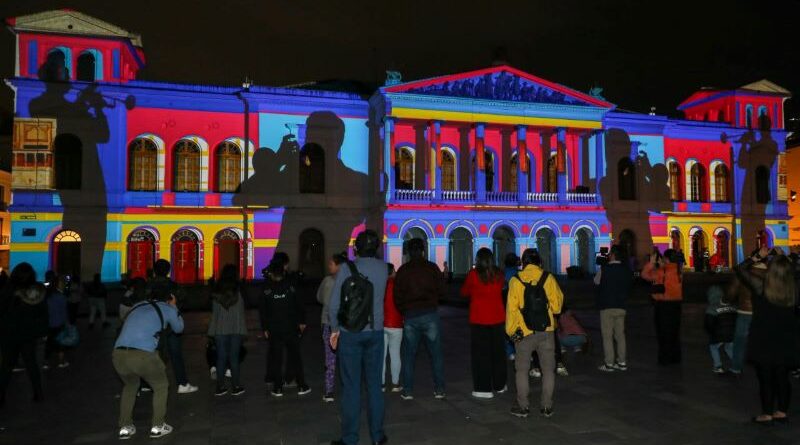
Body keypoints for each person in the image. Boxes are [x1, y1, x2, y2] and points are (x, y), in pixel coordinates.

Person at [328, 229, 389, 445]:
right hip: (375, 332)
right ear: (377, 248)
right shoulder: (384, 268)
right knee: (374, 385)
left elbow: (334, 303)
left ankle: (350, 438)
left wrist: (334, 329)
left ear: (356, 249)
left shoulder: (346, 269)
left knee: (351, 386)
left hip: (351, 333)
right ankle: (377, 436)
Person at [736, 247, 799, 424]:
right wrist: (784, 257)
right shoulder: (793, 288)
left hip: (764, 338)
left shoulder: (761, 286)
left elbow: (740, 269)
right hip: (786, 338)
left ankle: (767, 413)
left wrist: (757, 256)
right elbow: (794, 270)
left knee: (765, 378)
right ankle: (782, 411)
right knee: (782, 377)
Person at [113, 291, 184, 439]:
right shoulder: (168, 308)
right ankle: (158, 425)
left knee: (130, 386)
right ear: (170, 298)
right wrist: (175, 307)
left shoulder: (139, 305)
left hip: (118, 354)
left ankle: (125, 427)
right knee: (161, 385)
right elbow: (179, 329)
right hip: (143, 354)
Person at [506, 249, 564, 418]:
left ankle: (523, 407)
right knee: (548, 370)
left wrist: (511, 332)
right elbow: (557, 307)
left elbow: (511, 310)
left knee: (522, 370)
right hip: (546, 331)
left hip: (524, 333)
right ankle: (546, 406)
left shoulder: (515, 281)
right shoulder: (549, 278)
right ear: (539, 262)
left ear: (523, 263)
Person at [394, 237, 446, 400]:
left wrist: (404, 310)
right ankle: (439, 389)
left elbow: (397, 296)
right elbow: (442, 290)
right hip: (430, 313)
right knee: (436, 354)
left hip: (410, 315)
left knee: (409, 355)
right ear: (423, 250)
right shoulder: (432, 268)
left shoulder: (403, 270)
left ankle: (408, 390)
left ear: (409, 252)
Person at [460, 247, 507, 399]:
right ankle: (500, 385)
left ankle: (483, 388)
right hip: (498, 318)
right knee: (498, 354)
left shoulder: (473, 275)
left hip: (479, 319)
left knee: (481, 355)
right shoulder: (499, 274)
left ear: (478, 260)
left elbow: (464, 292)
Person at [259, 260, 310, 397]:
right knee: (295, 357)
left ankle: (278, 388)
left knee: (277, 358)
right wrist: (302, 321)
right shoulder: (291, 287)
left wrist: (265, 328)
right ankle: (301, 385)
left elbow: (263, 311)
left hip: (275, 329)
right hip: (291, 327)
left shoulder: (267, 289)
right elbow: (300, 305)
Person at [0, 263, 48, 405]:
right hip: (28, 334)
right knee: (31, 364)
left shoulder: (8, 291)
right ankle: (38, 393)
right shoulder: (37, 292)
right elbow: (42, 314)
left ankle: (1, 396)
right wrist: (42, 331)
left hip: (8, 334)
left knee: (6, 366)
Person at [147, 259, 198, 394]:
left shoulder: (148, 285)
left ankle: (147, 383)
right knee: (176, 355)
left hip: (151, 325)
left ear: (154, 270)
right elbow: (183, 299)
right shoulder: (173, 286)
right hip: (170, 325)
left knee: (150, 354)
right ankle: (182, 383)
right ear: (168, 271)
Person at [208, 264, 248, 397]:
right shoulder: (238, 292)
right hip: (236, 329)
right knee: (234, 358)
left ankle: (220, 387)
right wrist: (243, 330)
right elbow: (241, 313)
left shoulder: (216, 293)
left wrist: (211, 331)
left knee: (221, 358)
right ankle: (236, 386)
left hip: (220, 329)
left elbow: (214, 314)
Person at [725, 249, 765, 375]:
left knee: (740, 341)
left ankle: (736, 368)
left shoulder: (744, 274)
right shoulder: (771, 273)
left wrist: (726, 300)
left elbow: (731, 292)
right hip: (764, 313)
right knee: (762, 339)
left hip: (745, 311)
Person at [594, 245, 632, 372]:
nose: (609, 255)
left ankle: (609, 363)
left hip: (607, 306)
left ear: (614, 255)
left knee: (607, 336)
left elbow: (596, 282)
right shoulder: (627, 269)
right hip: (621, 305)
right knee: (620, 335)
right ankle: (622, 362)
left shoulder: (605, 269)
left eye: (610, 253)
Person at [642, 248, 683, 365]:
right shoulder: (679, 271)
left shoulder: (661, 271)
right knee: (675, 333)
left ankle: (665, 358)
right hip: (677, 305)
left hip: (663, 306)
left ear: (666, 258)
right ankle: (676, 358)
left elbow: (645, 275)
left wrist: (651, 263)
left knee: (663, 333)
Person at [317, 252, 348, 402]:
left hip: (329, 323)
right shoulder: (349, 281)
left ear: (339, 265)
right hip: (346, 325)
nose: (329, 266)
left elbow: (319, 298)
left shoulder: (328, 281)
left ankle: (329, 391)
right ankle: (348, 387)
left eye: (331, 263)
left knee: (330, 358)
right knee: (347, 357)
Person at [704, 285, 737, 373]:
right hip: (731, 334)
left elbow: (708, 324)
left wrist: (712, 334)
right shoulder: (731, 306)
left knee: (713, 347)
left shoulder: (711, 308)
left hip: (718, 334)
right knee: (729, 347)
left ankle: (718, 366)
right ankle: (736, 366)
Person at [383, 263, 403, 393]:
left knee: (381, 355)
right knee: (395, 354)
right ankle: (395, 384)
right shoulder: (398, 286)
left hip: (382, 323)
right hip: (396, 323)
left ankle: (381, 384)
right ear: (393, 271)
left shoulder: (380, 285)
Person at [44, 273, 70, 369]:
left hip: (49, 324)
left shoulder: (46, 297)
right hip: (60, 323)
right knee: (61, 343)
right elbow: (64, 312)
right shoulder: (61, 297)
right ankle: (61, 362)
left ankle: (46, 362)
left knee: (49, 344)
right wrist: (67, 323)